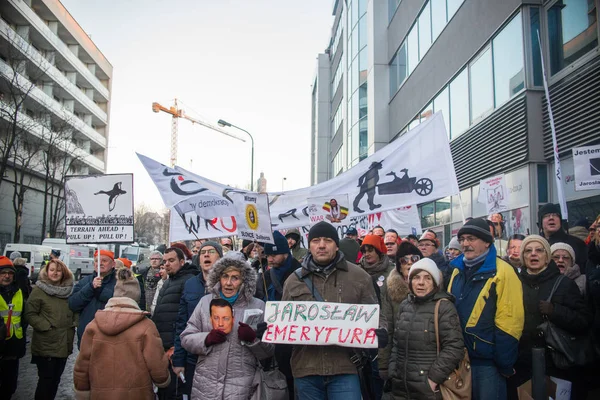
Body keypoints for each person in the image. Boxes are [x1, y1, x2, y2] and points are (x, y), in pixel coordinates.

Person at [281, 221, 388, 400]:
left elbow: (376, 315)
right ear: (309, 246)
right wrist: (268, 328)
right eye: (315, 240)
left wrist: (381, 331)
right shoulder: (293, 280)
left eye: (327, 240)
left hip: (345, 368)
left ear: (336, 245)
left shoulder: (359, 277)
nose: (321, 245)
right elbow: (283, 321)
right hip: (306, 368)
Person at [448, 218, 524, 399]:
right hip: (459, 360)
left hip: (488, 365)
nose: (465, 244)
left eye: (471, 238)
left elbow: (510, 322)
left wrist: (504, 363)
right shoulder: (457, 270)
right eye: (463, 239)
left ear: (487, 242)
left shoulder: (503, 272)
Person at [509, 235, 591, 399]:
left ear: (547, 257)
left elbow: (583, 321)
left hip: (556, 364)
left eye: (539, 250)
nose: (533, 254)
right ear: (523, 257)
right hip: (521, 363)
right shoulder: (513, 283)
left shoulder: (564, 284)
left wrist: (555, 312)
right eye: (528, 251)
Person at [180, 256, 274, 400]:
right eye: (225, 276)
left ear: (244, 280)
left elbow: (268, 351)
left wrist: (253, 339)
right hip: (206, 386)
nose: (228, 283)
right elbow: (186, 338)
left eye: (235, 278)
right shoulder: (205, 302)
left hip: (241, 388)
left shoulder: (258, 306)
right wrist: (206, 339)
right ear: (218, 278)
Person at [73, 268, 171, 399]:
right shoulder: (146, 326)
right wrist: (162, 380)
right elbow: (156, 362)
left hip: (101, 394)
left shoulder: (94, 325)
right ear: (136, 295)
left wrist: (82, 388)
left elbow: (82, 363)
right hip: (137, 394)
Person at [388, 258, 465, 400]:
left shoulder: (443, 307)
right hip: (400, 387)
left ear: (435, 283)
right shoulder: (405, 305)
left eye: (427, 278)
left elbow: (454, 347)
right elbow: (396, 343)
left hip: (428, 390)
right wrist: (393, 371)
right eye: (416, 277)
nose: (421, 283)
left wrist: (432, 380)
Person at [173, 240, 222, 396]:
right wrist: (179, 360)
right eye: (202, 252)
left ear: (221, 258)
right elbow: (182, 324)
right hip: (193, 358)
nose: (206, 254)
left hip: (218, 358)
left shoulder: (228, 283)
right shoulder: (190, 284)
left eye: (211, 251)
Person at [152, 246, 199, 400]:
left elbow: (185, 319)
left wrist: (176, 347)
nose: (166, 264)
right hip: (163, 348)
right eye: (165, 261)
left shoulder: (188, 281)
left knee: (175, 392)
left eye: (171, 260)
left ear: (182, 261)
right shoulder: (168, 281)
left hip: (175, 350)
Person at [25, 259, 76, 400]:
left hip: (64, 344)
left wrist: (74, 322)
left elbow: (74, 310)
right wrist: (46, 326)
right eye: (52, 270)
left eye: (58, 270)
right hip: (46, 343)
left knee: (55, 381)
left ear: (63, 273)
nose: (55, 273)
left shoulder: (69, 291)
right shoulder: (39, 291)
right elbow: (30, 314)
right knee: (46, 381)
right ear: (47, 272)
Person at [378, 242, 422, 385]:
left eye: (414, 258)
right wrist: (384, 364)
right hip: (401, 356)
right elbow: (387, 327)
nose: (409, 264)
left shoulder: (435, 285)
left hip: (428, 358)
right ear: (399, 265)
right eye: (404, 260)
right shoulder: (390, 289)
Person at [68, 249, 118, 347]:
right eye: (97, 261)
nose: (100, 264)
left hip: (110, 337)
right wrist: (90, 287)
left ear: (113, 264)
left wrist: (101, 288)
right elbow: (73, 304)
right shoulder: (84, 282)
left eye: (104, 261)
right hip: (87, 336)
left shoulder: (119, 282)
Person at [0, 257, 26, 398]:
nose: (7, 276)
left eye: (10, 273)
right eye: (3, 273)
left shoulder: (19, 291)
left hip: (13, 343)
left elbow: (23, 317)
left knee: (9, 385)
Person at [538, 203, 587, 267]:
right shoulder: (536, 245)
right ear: (541, 222)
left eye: (555, 215)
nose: (551, 218)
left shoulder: (577, 243)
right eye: (546, 216)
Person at [359, 234, 395, 303]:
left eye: (370, 250)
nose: (366, 254)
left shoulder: (392, 271)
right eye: (364, 251)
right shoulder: (359, 270)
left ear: (378, 251)